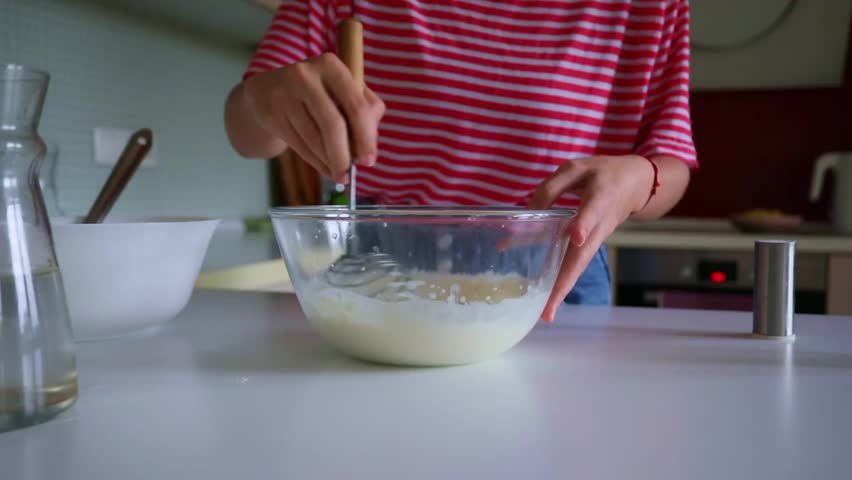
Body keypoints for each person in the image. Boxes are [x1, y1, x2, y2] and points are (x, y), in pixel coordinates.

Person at [224, 1, 697, 322]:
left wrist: (643, 176)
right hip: (381, 267)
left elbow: (670, 163)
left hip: (555, 276)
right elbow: (246, 132)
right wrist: (263, 99)